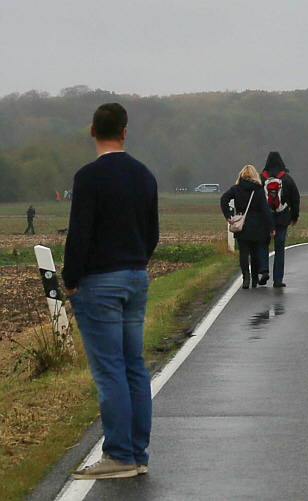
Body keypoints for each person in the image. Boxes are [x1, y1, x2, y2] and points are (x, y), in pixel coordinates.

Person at [64, 103, 158, 480]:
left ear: (92, 132)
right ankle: (136, 453)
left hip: (99, 283)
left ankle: (118, 454)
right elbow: (151, 233)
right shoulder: (144, 175)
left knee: (110, 371)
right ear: (124, 131)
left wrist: (71, 278)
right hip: (136, 276)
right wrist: (138, 260)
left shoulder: (88, 177)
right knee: (134, 366)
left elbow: (79, 234)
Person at [221, 165, 273, 289]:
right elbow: (265, 210)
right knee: (255, 253)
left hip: (242, 225)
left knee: (243, 253)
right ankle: (255, 279)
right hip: (257, 226)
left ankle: (246, 278)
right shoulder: (258, 190)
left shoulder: (236, 189)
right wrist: (271, 227)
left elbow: (224, 199)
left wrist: (228, 215)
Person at [259, 152, 299, 288]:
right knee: (279, 247)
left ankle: (264, 270)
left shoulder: (261, 178)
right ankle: (278, 279)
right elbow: (295, 199)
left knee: (263, 244)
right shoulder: (287, 179)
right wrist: (294, 217)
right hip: (282, 218)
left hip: (265, 218)